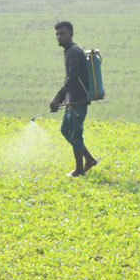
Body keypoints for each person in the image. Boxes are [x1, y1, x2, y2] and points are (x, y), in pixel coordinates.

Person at [50, 21, 98, 177]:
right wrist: (64, 97)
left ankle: (79, 170)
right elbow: (70, 79)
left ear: (71, 34)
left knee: (75, 134)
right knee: (66, 130)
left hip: (78, 101)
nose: (59, 37)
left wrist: (58, 95)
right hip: (72, 100)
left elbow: (73, 78)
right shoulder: (69, 51)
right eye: (57, 34)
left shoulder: (73, 52)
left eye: (62, 34)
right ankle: (89, 159)